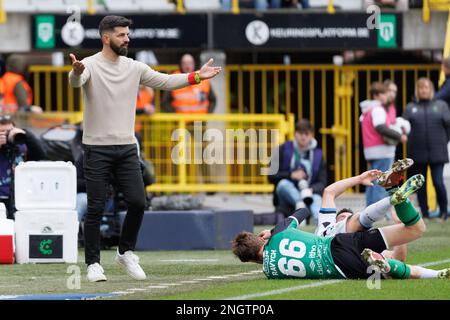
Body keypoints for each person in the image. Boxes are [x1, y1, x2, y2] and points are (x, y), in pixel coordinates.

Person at [68, 15, 221, 282]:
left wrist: (197, 76)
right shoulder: (89, 65)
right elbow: (76, 81)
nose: (127, 39)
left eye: (127, 34)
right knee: (95, 207)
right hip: (96, 148)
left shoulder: (134, 67)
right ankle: (93, 263)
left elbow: (165, 81)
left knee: (139, 202)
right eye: (121, 35)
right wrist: (76, 72)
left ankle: (125, 253)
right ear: (106, 38)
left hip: (127, 147)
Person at [232, 174, 450, 280]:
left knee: (391, 265)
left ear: (251, 260)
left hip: (340, 262)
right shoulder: (279, 232)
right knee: (412, 231)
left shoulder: (271, 273)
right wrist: (272, 231)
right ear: (259, 239)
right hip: (339, 242)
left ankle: (423, 271)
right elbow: (305, 211)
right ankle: (396, 197)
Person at [403, 78, 450, 220]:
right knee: (420, 184)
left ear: (431, 89)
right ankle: (424, 213)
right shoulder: (410, 107)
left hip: (438, 152)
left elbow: (448, 127)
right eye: (421, 88)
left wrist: (443, 141)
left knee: (438, 181)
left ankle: (444, 212)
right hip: (417, 153)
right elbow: (403, 128)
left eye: (426, 87)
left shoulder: (441, 105)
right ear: (417, 90)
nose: (424, 90)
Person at [268, 119, 327, 224]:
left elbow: (322, 182)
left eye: (306, 133)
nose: (303, 137)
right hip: (287, 196)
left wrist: (311, 189)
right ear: (295, 134)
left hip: (309, 194)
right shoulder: (283, 149)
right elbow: (270, 175)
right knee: (283, 184)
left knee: (317, 199)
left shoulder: (318, 155)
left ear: (311, 135)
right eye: (300, 133)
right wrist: (291, 175)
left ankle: (319, 226)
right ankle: (300, 206)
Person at [360, 82, 407, 207]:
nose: (388, 96)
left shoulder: (367, 110)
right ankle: (375, 211)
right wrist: (399, 136)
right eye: (385, 93)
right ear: (376, 95)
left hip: (370, 150)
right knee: (381, 182)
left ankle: (368, 210)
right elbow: (380, 127)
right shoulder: (378, 109)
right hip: (382, 150)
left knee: (371, 182)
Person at [0, 115, 47, 219]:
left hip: (21, 197)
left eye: (9, 131)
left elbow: (41, 155)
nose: (6, 135)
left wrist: (25, 134)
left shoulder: (21, 147)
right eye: (2, 132)